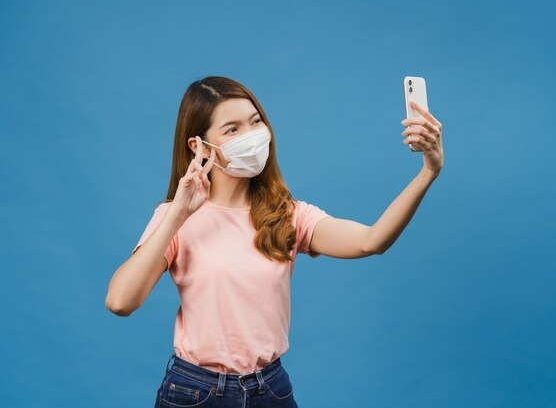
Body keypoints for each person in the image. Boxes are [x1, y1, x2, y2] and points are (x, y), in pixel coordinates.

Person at [105, 75, 444, 408]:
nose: (251, 136)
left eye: (256, 122)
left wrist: (428, 171)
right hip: (196, 393)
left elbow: (373, 240)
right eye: (232, 129)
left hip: (271, 390)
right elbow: (121, 301)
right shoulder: (176, 217)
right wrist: (178, 214)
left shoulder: (289, 215)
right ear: (199, 146)